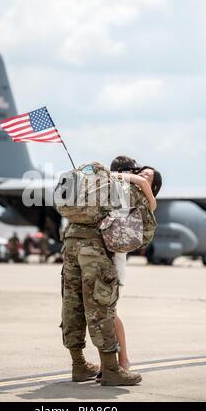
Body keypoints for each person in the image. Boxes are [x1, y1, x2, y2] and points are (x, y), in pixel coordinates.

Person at [61, 157, 147, 386]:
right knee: (101, 307)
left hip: (70, 244)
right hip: (93, 249)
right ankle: (111, 369)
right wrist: (140, 181)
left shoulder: (84, 185)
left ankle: (78, 364)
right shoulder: (120, 186)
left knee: (73, 304)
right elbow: (146, 217)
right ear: (127, 171)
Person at [96, 161, 162, 382]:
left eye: (148, 175)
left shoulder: (148, 202)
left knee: (109, 312)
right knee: (99, 313)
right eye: (141, 171)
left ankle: (123, 360)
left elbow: (139, 181)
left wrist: (134, 178)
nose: (142, 175)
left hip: (116, 261)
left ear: (153, 187)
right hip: (102, 256)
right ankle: (108, 365)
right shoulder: (123, 193)